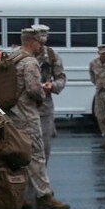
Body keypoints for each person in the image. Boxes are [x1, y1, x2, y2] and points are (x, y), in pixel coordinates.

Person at [7, 28, 70, 209]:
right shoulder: (29, 61)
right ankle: (44, 195)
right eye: (39, 40)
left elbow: (61, 79)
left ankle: (19, 195)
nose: (41, 44)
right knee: (37, 154)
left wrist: (54, 86)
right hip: (28, 114)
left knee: (20, 155)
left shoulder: (14, 57)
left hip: (14, 113)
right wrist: (43, 91)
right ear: (33, 42)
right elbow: (34, 89)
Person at [33, 24, 66, 161]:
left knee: (44, 147)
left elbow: (61, 78)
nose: (42, 38)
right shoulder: (21, 54)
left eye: (44, 35)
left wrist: (52, 85)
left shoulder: (52, 55)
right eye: (39, 35)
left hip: (44, 106)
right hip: (24, 106)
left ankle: (41, 178)